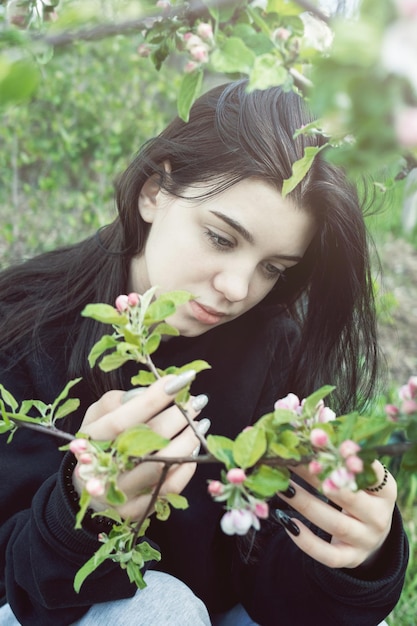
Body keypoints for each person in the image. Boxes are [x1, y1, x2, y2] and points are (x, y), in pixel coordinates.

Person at [0, 79, 408, 626]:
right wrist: (86, 509)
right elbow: (16, 584)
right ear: (154, 191)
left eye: (274, 268)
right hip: (53, 608)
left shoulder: (274, 343)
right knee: (159, 607)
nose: (239, 288)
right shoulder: (24, 322)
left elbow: (274, 592)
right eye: (220, 238)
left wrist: (355, 552)